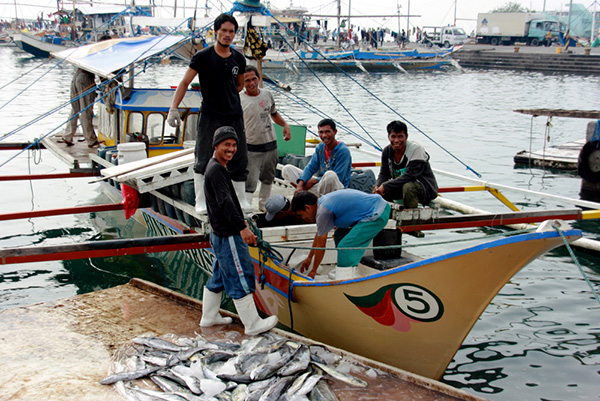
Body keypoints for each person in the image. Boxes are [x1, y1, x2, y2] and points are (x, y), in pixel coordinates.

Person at [167, 13, 249, 214]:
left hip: (234, 115)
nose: (228, 35)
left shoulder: (239, 58)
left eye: (231, 31)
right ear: (216, 31)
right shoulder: (202, 57)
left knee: (239, 156)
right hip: (210, 114)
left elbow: (239, 84)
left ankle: (241, 200)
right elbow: (185, 82)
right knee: (203, 156)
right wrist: (173, 108)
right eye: (224, 31)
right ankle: (200, 200)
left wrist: (226, 96)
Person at [201, 126, 278, 336]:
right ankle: (252, 324)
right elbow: (225, 203)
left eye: (234, 145)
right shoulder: (216, 170)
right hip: (228, 235)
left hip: (218, 234)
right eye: (226, 144)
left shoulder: (215, 167)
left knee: (219, 276)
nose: (231, 149)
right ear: (215, 145)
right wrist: (242, 228)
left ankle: (209, 317)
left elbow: (225, 201)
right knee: (239, 274)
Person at [291, 189, 390, 280]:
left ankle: (345, 277)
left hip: (377, 213)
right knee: (339, 234)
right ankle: (349, 267)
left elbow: (321, 245)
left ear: (307, 208)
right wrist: (309, 257)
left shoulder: (323, 212)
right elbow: (319, 234)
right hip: (376, 208)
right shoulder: (322, 203)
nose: (303, 218)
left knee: (345, 246)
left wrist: (313, 271)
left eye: (301, 215)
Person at [240, 65, 291, 211]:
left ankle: (264, 206)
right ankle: (247, 208)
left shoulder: (267, 94)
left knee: (268, 178)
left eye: (254, 79)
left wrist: (285, 125)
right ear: (242, 83)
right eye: (247, 80)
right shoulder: (239, 99)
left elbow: (274, 114)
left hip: (271, 145)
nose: (251, 83)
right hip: (251, 147)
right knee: (250, 181)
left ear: (259, 78)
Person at [373, 120, 438, 209]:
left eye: (400, 137)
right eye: (393, 137)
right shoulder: (387, 151)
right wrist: (378, 185)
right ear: (388, 137)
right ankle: (389, 213)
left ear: (406, 137)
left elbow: (410, 176)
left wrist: (385, 186)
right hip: (401, 185)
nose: (396, 140)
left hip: (423, 187)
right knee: (376, 188)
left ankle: (410, 216)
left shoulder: (416, 149)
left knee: (408, 187)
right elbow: (384, 173)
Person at [281, 118, 351, 196]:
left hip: (337, 190)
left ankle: (315, 198)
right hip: (321, 185)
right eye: (321, 132)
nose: (324, 135)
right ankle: (303, 191)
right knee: (287, 169)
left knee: (330, 175)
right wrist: (301, 183)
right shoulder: (320, 147)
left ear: (335, 132)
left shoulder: (343, 151)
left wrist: (314, 181)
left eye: (327, 132)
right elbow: (311, 168)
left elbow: (339, 177)